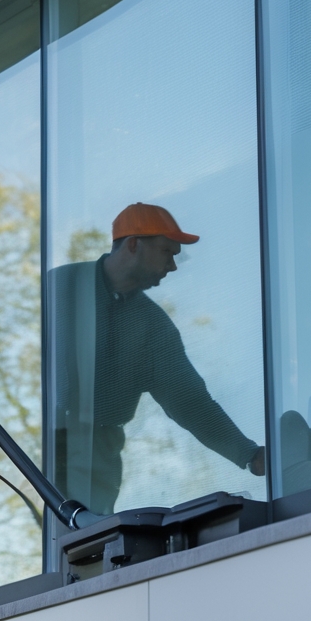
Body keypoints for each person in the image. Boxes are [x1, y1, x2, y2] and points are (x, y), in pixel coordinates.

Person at [49, 202, 264, 516]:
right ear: (133, 244)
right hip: (43, 439)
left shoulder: (153, 327)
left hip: (100, 454)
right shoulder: (60, 287)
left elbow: (191, 403)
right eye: (167, 252)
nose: (173, 266)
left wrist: (249, 454)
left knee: (88, 545)